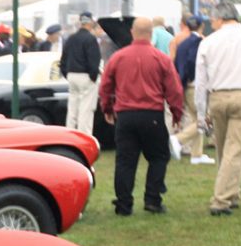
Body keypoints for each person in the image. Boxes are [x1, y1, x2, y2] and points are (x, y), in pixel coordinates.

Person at [98, 17, 185, 216]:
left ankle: (123, 204)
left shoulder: (118, 57)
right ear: (151, 34)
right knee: (159, 157)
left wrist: (108, 109)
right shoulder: (160, 58)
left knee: (125, 161)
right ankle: (152, 199)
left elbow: (106, 86)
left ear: (132, 32)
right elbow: (174, 89)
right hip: (151, 114)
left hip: (125, 116)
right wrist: (176, 113)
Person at [194, 1, 241, 216]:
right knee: (235, 150)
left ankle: (231, 192)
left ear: (220, 19)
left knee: (223, 149)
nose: (211, 24)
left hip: (217, 96)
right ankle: (221, 200)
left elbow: (201, 82)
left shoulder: (208, 42)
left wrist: (202, 112)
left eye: (212, 20)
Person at [172, 15, 212, 165]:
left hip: (184, 85)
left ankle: (197, 154)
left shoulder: (182, 43)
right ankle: (179, 139)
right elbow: (191, 61)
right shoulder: (199, 42)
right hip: (195, 85)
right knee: (206, 119)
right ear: (201, 26)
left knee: (197, 119)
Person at [62, 13, 101, 133]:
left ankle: (69, 135)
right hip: (85, 76)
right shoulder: (90, 39)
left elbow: (63, 59)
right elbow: (94, 61)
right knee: (86, 109)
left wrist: (67, 74)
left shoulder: (71, 38)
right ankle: (85, 137)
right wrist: (93, 77)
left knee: (72, 108)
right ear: (90, 22)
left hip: (71, 75)